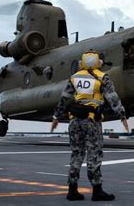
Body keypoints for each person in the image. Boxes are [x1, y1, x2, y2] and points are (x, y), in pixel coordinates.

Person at [51, 50, 129, 201]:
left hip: (74, 121)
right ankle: (97, 190)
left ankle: (72, 190)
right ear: (98, 63)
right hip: (91, 122)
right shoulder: (102, 78)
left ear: (82, 63)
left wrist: (56, 117)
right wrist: (122, 116)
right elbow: (113, 99)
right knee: (94, 154)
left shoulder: (74, 78)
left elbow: (64, 99)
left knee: (76, 154)